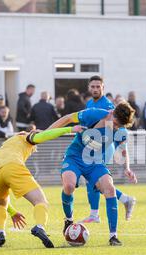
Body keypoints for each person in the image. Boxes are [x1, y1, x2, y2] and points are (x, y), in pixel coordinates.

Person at [48, 76, 137, 225]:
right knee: (95, 183)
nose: (95, 89)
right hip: (88, 145)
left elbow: (120, 135)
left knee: (96, 180)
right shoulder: (90, 103)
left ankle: (96, 213)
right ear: (89, 87)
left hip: (104, 147)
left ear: (103, 87)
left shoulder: (108, 107)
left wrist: (126, 166)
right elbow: (77, 121)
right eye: (93, 86)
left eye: (98, 86)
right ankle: (123, 200)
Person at [0, 125, 84, 248]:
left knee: (1, 204)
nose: (35, 148)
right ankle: (40, 227)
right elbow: (45, 136)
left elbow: (2, 195)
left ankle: (0, 233)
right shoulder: (26, 137)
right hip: (12, 166)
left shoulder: (5, 145)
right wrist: (69, 129)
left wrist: (13, 212)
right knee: (40, 201)